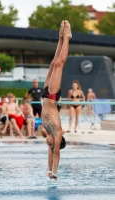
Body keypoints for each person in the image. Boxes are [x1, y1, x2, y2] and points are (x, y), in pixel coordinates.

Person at [41, 20, 71, 181]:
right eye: (50, 144)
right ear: (56, 142)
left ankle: (60, 38)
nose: (48, 143)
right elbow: (56, 153)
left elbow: (51, 155)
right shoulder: (57, 134)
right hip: (52, 96)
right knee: (59, 64)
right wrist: (56, 173)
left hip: (45, 95)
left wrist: (49, 171)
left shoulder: (49, 135)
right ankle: (67, 38)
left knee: (53, 63)